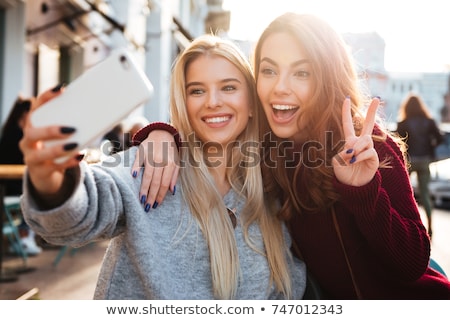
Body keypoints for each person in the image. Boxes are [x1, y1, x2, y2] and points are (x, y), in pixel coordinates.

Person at [132, 13, 450, 299]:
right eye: (269, 70)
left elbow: (413, 264)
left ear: (326, 78)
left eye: (301, 73)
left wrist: (364, 191)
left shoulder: (370, 147)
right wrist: (162, 134)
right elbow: (213, 129)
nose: (280, 87)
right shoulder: (266, 151)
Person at [19, 35, 306, 299]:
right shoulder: (150, 165)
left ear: (252, 102)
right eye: (197, 91)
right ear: (184, 102)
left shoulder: (274, 183)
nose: (213, 102)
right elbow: (78, 217)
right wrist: (50, 178)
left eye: (229, 87)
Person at [396, 93, 444, 238]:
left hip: (409, 161)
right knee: (425, 194)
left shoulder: (403, 123)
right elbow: (440, 138)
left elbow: (398, 143)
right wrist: (431, 147)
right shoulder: (429, 122)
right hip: (425, 161)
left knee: (405, 195)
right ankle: (430, 228)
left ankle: (409, 226)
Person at [0, 96, 42, 255]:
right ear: (25, 113)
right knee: (36, 195)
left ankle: (26, 236)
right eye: (33, 112)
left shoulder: (12, 130)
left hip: (11, 183)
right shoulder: (17, 134)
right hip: (10, 185)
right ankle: (23, 238)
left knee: (38, 192)